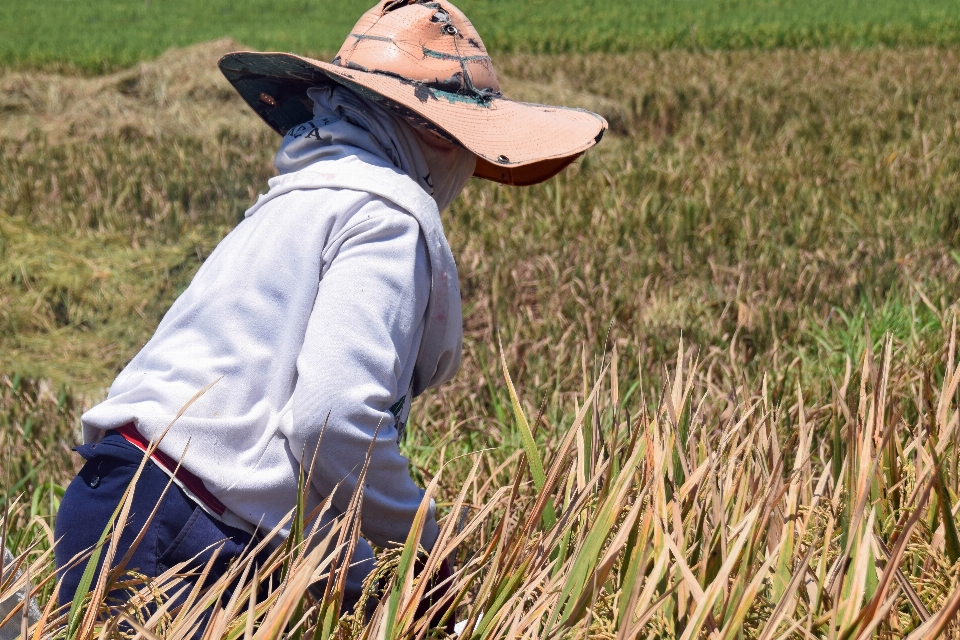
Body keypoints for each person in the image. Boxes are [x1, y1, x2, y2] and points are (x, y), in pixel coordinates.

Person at [53, 0, 606, 624]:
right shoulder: (388, 212)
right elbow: (332, 422)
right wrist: (422, 549)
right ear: (432, 133)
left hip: (109, 504)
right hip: (178, 529)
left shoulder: (291, 200)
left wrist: (360, 577)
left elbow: (271, 448)